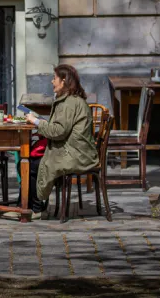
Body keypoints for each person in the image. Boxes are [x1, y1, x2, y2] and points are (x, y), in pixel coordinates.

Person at [25, 64, 99, 218]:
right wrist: (39, 121)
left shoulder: (69, 103)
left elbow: (58, 131)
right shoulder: (70, 100)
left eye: (54, 78)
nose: (52, 82)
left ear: (64, 81)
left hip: (75, 154)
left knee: (32, 163)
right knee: (33, 158)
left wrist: (36, 122)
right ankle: (30, 205)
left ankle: (36, 208)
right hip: (75, 150)